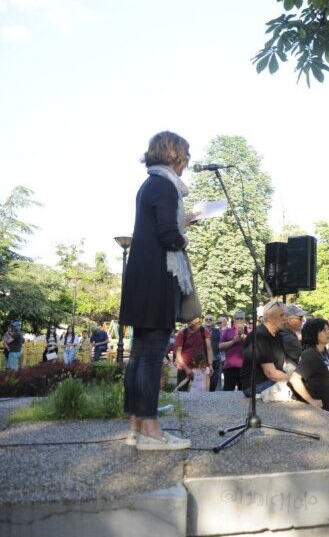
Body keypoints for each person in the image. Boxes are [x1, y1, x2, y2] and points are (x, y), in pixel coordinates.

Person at [119, 130, 195, 451]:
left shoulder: (150, 183)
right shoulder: (165, 185)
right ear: (175, 155)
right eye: (185, 156)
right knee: (151, 356)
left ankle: (136, 424)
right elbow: (167, 234)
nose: (188, 163)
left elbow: (157, 227)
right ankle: (151, 429)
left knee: (139, 354)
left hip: (141, 278)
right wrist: (183, 237)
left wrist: (182, 222)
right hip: (157, 279)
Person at [289, 318, 329, 415]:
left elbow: (322, 371)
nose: (328, 333)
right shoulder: (310, 354)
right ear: (313, 333)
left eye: (328, 329)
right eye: (323, 330)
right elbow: (295, 380)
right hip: (318, 411)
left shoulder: (323, 351)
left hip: (328, 408)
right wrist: (311, 400)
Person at [239, 301, 289, 397]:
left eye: (285, 315)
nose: (285, 319)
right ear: (269, 318)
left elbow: (283, 365)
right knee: (298, 385)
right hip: (255, 386)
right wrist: (293, 379)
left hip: (272, 381)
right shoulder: (259, 336)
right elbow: (270, 373)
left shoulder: (278, 335)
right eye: (282, 315)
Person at [173, 317, 213, 392]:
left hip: (200, 367)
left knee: (202, 391)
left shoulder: (204, 331)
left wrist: (210, 365)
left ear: (197, 319)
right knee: (181, 392)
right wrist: (186, 368)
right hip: (184, 367)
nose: (188, 321)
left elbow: (209, 349)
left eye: (191, 318)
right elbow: (178, 353)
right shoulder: (182, 333)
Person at [220, 312, 247, 391]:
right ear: (233, 320)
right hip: (230, 366)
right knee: (228, 392)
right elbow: (220, 346)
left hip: (245, 367)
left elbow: (255, 347)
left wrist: (246, 339)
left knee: (243, 393)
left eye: (241, 318)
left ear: (244, 320)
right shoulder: (228, 331)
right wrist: (233, 341)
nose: (239, 320)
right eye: (237, 318)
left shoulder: (250, 331)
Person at [280, 305, 305, 374]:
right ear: (289, 320)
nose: (302, 320)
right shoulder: (288, 338)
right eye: (300, 318)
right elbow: (304, 359)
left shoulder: (283, 334)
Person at [206, 315, 222, 391]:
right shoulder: (201, 330)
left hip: (216, 358)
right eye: (206, 319)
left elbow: (222, 343)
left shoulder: (218, 330)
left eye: (210, 319)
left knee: (214, 381)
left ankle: (211, 395)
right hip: (204, 359)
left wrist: (222, 355)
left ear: (213, 321)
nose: (208, 320)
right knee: (204, 380)